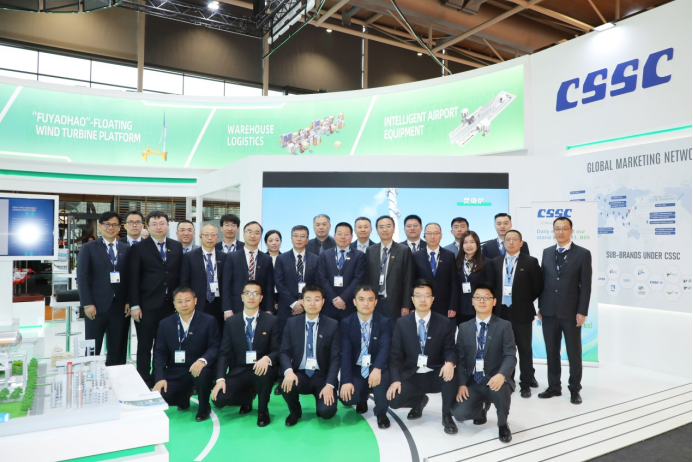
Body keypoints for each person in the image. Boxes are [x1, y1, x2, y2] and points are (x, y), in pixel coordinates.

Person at [387, 280, 458, 435]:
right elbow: (395, 356)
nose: (422, 299)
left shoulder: (444, 322)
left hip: (435, 373)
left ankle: (447, 415)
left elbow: (450, 349)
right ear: (412, 299)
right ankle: (419, 401)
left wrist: (449, 362)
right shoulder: (402, 323)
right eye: (418, 296)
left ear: (433, 299)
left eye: (427, 295)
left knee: (451, 374)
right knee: (393, 400)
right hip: (412, 374)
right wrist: (395, 380)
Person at [452, 283, 516, 443]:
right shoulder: (464, 328)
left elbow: (510, 356)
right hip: (473, 381)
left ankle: (502, 424)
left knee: (501, 390)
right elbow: (460, 360)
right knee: (459, 414)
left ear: (494, 301)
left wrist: (502, 375)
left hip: (495, 379)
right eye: (478, 298)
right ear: (472, 301)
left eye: (486, 298)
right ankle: (481, 409)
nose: (482, 301)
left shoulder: (504, 326)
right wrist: (461, 384)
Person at [538, 217, 592, 405]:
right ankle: (554, 386)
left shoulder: (583, 254)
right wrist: (540, 307)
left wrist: (582, 311)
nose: (560, 232)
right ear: (553, 231)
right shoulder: (547, 252)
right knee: (551, 351)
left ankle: (575, 389)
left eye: (564, 228)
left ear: (571, 231)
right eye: (557, 229)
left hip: (571, 312)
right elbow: (543, 282)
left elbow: (586, 286)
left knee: (573, 352)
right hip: (549, 311)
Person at [212, 282, 281, 427]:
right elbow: (224, 353)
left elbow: (277, 350)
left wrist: (267, 358)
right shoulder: (232, 322)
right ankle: (247, 398)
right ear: (242, 297)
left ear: (261, 298)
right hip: (239, 370)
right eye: (248, 293)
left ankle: (263, 411)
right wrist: (220, 379)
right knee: (218, 399)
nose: (251, 297)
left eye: (256, 293)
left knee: (265, 372)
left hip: (261, 369)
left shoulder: (272, 321)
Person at [129, 211, 184, 388]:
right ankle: (144, 381)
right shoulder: (138, 248)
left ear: (168, 225)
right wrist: (135, 305)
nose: (158, 227)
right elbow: (133, 279)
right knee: (145, 345)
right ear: (148, 226)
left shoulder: (176, 246)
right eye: (154, 224)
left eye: (162, 223)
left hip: (171, 306)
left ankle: (163, 378)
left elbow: (179, 275)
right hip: (147, 306)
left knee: (167, 344)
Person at [153, 286, 220, 422]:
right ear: (174, 304)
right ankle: (183, 398)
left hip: (199, 368)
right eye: (179, 301)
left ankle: (204, 407)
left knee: (202, 375)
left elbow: (215, 346)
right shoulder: (165, 324)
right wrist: (160, 378)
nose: (184, 304)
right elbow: (159, 353)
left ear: (195, 301)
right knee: (162, 396)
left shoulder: (209, 321)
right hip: (176, 369)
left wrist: (203, 360)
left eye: (187, 300)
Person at [490, 230, 543, 398]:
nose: (511, 242)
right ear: (504, 243)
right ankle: (507, 380)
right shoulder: (496, 262)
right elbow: (492, 286)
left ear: (521, 243)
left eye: (515, 239)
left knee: (524, 349)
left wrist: (523, 300)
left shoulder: (530, 262)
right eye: (508, 239)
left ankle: (525, 383)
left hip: (522, 312)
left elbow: (538, 287)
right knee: (503, 349)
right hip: (500, 312)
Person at [280, 284, 341, 427]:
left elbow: (335, 358)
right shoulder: (292, 323)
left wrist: (330, 384)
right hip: (300, 374)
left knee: (327, 412)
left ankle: (321, 404)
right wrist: (288, 372)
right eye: (308, 299)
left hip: (322, 376)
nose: (312, 303)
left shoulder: (332, 325)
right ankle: (295, 412)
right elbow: (284, 351)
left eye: (317, 299)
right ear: (302, 301)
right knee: (287, 385)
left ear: (323, 302)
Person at [77, 211, 130, 366]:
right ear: (100, 226)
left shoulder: (126, 249)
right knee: (92, 347)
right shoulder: (88, 248)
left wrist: (129, 300)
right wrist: (87, 303)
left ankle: (116, 376)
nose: (110, 228)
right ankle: (89, 374)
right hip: (96, 306)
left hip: (119, 307)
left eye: (114, 225)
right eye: (107, 224)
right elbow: (83, 278)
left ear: (119, 227)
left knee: (117, 348)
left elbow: (129, 278)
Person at [273, 225, 319, 395]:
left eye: (303, 236)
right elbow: (279, 283)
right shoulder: (282, 258)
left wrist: (304, 303)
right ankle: (282, 378)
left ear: (308, 239)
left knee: (305, 341)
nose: (299, 239)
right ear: (291, 238)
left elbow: (317, 284)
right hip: (287, 308)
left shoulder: (315, 259)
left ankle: (305, 376)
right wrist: (294, 303)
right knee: (285, 344)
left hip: (310, 308)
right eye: (296, 236)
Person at [339, 284, 393, 429]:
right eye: (361, 299)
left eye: (370, 299)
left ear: (376, 302)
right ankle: (361, 398)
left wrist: (377, 368)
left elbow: (385, 348)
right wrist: (346, 381)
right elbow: (346, 353)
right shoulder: (346, 323)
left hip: (377, 366)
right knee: (347, 398)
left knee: (381, 383)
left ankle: (381, 413)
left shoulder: (385, 322)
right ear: (354, 302)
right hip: (357, 367)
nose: (366, 303)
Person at [222, 221, 274, 318]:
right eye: (249, 232)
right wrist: (227, 309)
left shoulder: (267, 259)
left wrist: (269, 309)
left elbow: (269, 287)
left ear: (261, 236)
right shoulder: (232, 257)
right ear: (243, 234)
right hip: (236, 307)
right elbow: (226, 286)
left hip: (261, 308)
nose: (253, 236)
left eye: (257, 233)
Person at [366, 216, 414, 319]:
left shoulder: (404, 250)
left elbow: (408, 279)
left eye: (388, 226)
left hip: (395, 303)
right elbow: (367, 278)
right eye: (381, 227)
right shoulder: (370, 250)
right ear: (377, 230)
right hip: (374, 301)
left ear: (394, 228)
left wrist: (406, 305)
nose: (385, 230)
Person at [180, 224, 226, 333]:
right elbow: (184, 282)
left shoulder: (224, 257)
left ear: (218, 237)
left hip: (218, 303)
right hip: (198, 303)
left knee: (218, 333)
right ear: (200, 237)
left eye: (213, 235)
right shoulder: (189, 256)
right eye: (206, 235)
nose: (209, 238)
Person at [317, 222, 367, 321]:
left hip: (349, 305)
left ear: (351, 237)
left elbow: (358, 279)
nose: (342, 237)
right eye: (339, 234)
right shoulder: (325, 255)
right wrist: (334, 299)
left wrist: (343, 298)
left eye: (346, 234)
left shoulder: (359, 255)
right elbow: (322, 278)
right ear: (334, 236)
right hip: (329, 305)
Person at [412, 223, 459, 320]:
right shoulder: (416, 256)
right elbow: (412, 282)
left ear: (441, 235)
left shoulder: (449, 255)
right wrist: (412, 306)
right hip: (422, 303)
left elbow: (454, 283)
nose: (432, 236)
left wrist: (453, 306)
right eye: (429, 233)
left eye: (436, 233)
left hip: (444, 305)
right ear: (424, 236)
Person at [456, 231, 495, 324]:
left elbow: (491, 286)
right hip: (460, 308)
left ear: (477, 244)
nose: (469, 245)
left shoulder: (487, 262)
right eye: (465, 242)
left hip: (480, 307)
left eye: (472, 242)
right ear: (461, 245)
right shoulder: (456, 263)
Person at [264, 230, 282, 311]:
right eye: (270, 240)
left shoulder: (286, 259)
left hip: (282, 298)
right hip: (265, 298)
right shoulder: (261, 259)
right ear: (265, 243)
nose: (274, 243)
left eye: (277, 240)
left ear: (280, 242)